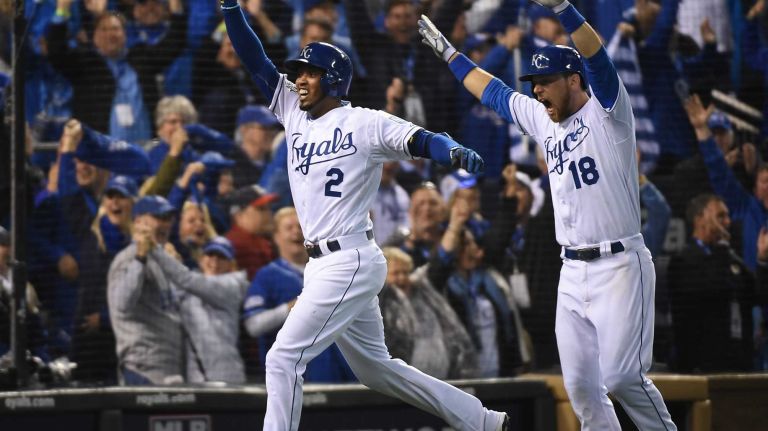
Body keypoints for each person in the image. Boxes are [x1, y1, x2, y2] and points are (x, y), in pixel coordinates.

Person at [221, 1, 508, 429]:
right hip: (322, 264)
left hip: (348, 259)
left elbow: (420, 139)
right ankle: (481, 419)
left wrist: (450, 150)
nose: (300, 80)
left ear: (333, 79)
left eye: (310, 73)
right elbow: (255, 59)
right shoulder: (293, 111)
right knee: (376, 370)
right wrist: (231, 8)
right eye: (298, 73)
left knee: (283, 357)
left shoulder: (365, 122)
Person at [418, 0, 677, 429]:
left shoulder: (609, 112)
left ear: (573, 80)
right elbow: (494, 92)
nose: (537, 91)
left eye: (545, 82)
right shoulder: (544, 120)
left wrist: (562, 8)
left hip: (619, 265)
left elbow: (597, 57)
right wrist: (450, 55)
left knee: (622, 377)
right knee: (581, 389)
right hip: (571, 271)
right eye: (534, 83)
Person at [243, 207, 355, 382]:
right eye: (289, 228)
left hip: (342, 369)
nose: (296, 232)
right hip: (293, 375)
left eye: (301, 227)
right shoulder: (267, 276)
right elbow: (254, 325)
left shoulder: (332, 271)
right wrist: (293, 307)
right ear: (276, 237)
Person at [667, 194, 757, 372]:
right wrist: (723, 248)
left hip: (738, 360)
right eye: (720, 216)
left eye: (728, 216)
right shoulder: (683, 260)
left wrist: (762, 261)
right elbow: (714, 289)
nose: (727, 222)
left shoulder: (729, 257)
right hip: (701, 364)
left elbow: (756, 294)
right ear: (699, 219)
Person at [150, 236, 248, 384]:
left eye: (221, 258)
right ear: (201, 260)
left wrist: (156, 251)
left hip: (226, 376)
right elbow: (175, 289)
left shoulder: (231, 285)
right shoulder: (192, 289)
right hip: (195, 376)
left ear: (231, 264)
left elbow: (185, 279)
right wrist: (173, 261)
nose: (214, 261)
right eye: (210, 255)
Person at [107, 195, 183, 385]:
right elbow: (121, 304)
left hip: (170, 365)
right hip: (142, 369)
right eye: (160, 218)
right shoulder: (126, 258)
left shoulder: (163, 258)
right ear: (138, 222)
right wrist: (140, 259)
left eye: (169, 218)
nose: (166, 224)